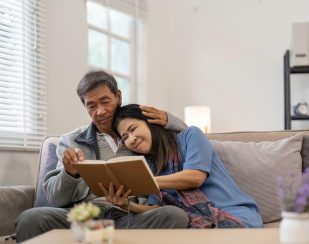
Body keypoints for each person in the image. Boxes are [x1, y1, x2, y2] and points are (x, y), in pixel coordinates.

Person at [15, 71, 189, 242]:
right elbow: (55, 198)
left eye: (105, 101)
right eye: (91, 106)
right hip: (83, 218)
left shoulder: (139, 134)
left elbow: (185, 138)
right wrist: (70, 173)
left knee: (174, 215)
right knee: (31, 218)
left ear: (118, 97)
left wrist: (168, 119)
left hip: (130, 216)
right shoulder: (71, 141)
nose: (100, 111)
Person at [107, 104, 263, 228]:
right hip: (194, 224)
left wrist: (145, 181)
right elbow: (160, 211)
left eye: (133, 129)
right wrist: (128, 205)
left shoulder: (191, 135)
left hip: (234, 214)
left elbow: (195, 177)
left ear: (150, 123)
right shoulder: (149, 167)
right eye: (125, 137)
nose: (132, 139)